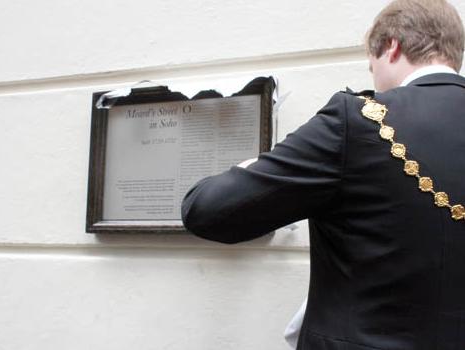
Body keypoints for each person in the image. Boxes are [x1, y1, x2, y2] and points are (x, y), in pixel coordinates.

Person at [181, 0, 465, 349]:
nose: (373, 78)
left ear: (392, 46)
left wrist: (248, 168)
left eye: (371, 66)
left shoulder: (361, 120)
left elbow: (207, 210)